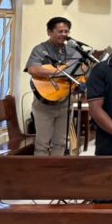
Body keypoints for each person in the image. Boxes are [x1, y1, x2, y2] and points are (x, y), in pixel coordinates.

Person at [25, 16, 83, 155]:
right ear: (49, 32)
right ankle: (41, 169)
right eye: (60, 31)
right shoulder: (40, 49)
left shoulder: (72, 51)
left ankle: (56, 168)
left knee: (61, 142)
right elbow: (33, 69)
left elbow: (81, 69)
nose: (64, 34)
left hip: (65, 102)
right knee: (42, 144)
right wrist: (58, 72)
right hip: (44, 104)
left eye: (66, 31)